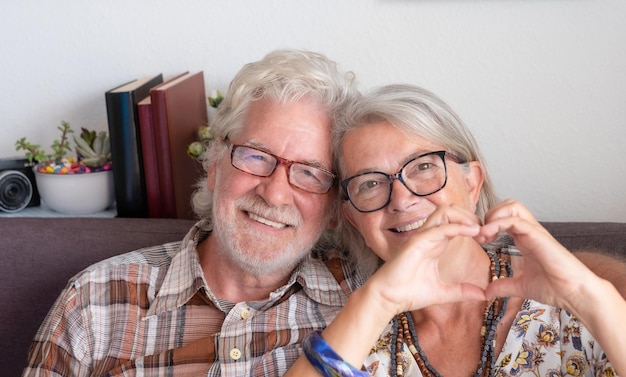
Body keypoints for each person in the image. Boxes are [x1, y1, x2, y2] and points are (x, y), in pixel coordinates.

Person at [22, 49, 364, 376]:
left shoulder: (366, 303)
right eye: (256, 156)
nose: (274, 194)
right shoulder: (91, 302)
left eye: (309, 173)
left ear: (334, 205)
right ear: (215, 163)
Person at [287, 84, 626, 377]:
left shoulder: (572, 299)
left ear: (472, 183)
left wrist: (588, 295)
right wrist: (380, 300)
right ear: (353, 219)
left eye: (423, 166)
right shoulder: (358, 334)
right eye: (371, 183)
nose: (401, 200)